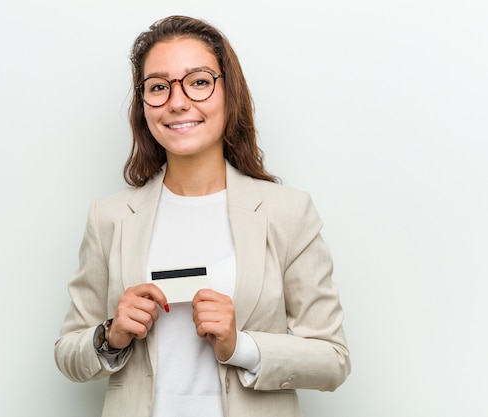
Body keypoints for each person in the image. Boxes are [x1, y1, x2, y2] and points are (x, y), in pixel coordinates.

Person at [55, 15, 350, 417]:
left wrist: (240, 346)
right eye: (158, 87)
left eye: (198, 81)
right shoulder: (109, 217)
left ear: (229, 93)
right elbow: (67, 351)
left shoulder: (287, 213)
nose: (177, 102)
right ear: (144, 107)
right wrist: (111, 335)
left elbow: (333, 359)